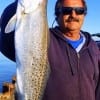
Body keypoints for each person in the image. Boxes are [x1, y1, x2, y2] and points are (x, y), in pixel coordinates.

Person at [1, 0, 100, 100]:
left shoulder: (93, 46)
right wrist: (18, 7)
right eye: (66, 10)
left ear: (84, 14)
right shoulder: (43, 39)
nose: (73, 15)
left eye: (79, 10)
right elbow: (6, 43)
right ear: (57, 15)